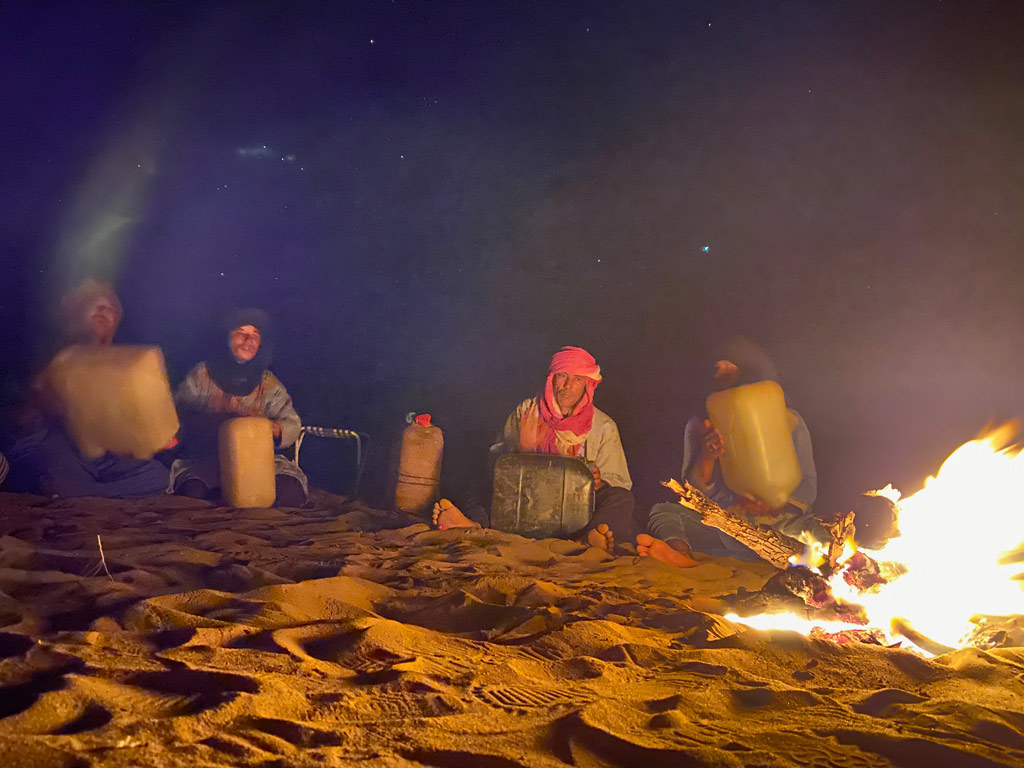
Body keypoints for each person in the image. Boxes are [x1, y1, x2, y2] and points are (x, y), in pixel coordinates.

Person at [639, 336, 825, 567]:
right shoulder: (700, 424)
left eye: (729, 365)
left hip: (782, 526)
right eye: (717, 366)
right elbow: (695, 493)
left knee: (818, 533)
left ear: (750, 370)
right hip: (726, 524)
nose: (721, 372)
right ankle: (680, 555)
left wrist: (776, 504)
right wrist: (707, 457)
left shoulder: (790, 420)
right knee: (664, 512)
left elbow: (808, 483)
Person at [432, 345, 635, 552]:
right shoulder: (526, 411)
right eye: (562, 376)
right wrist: (522, 451)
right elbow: (496, 464)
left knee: (621, 499)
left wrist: (598, 483)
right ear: (551, 379)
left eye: (577, 379)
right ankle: (474, 524)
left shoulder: (603, 426)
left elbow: (619, 482)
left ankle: (587, 539)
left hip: (574, 509)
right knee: (478, 482)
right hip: (524, 500)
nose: (568, 385)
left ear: (587, 385)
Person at [2, 279, 170, 498]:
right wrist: (40, 400)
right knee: (53, 467)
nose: (103, 309)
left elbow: (129, 434)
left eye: (110, 307)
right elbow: (18, 422)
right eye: (92, 303)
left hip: (98, 459)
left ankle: (85, 494)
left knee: (156, 474)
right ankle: (83, 493)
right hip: (51, 448)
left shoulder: (124, 365)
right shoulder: (44, 352)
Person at [170, 308, 308, 507]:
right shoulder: (202, 375)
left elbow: (292, 422)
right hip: (208, 460)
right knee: (195, 493)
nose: (248, 341)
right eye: (240, 333)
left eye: (255, 336)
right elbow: (178, 414)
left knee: (290, 492)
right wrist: (209, 423)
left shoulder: (268, 383)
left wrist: (271, 428)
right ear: (226, 338)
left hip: (259, 461)